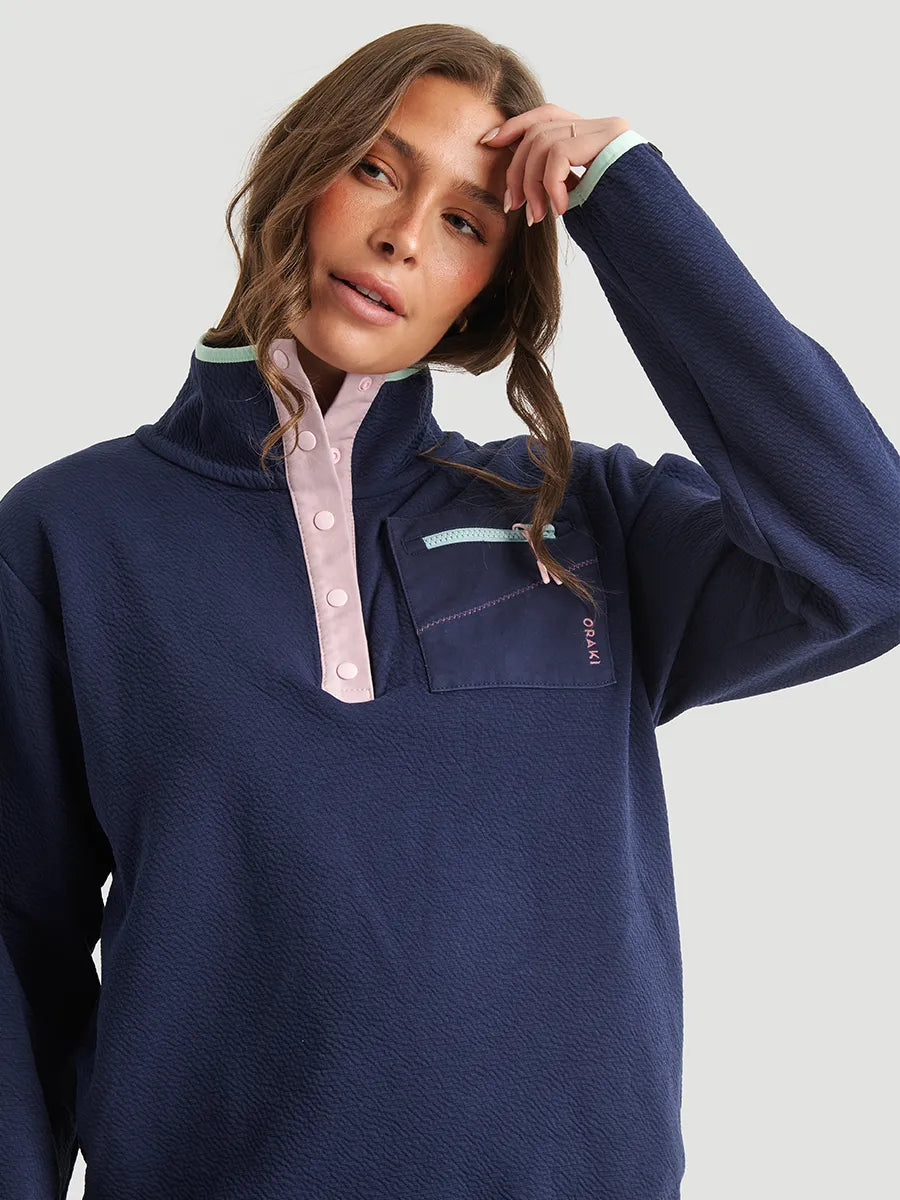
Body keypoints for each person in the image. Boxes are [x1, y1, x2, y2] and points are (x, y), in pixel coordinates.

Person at [1, 21, 897, 1200]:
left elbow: (871, 555)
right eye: (376, 168)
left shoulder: (584, 519)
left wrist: (629, 202)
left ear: (487, 295)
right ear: (299, 172)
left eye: (469, 222)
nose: (404, 235)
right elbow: (17, 953)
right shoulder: (70, 536)